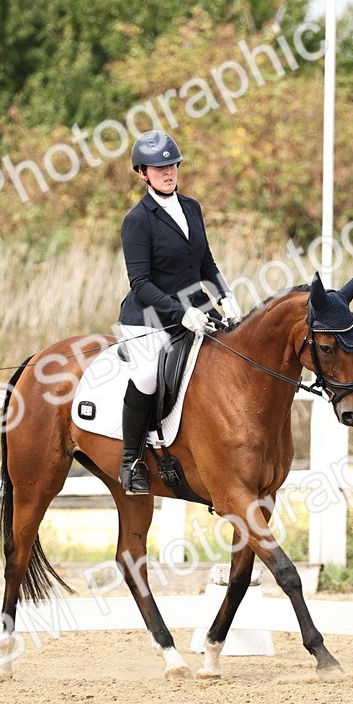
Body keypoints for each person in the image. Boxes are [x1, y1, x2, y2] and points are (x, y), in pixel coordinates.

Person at [116, 130, 243, 495]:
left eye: (172, 164)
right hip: (149, 317)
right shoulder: (138, 220)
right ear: (143, 173)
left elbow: (205, 262)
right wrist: (179, 312)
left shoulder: (191, 207)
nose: (168, 171)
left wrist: (225, 295)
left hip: (197, 309)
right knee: (146, 377)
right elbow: (140, 282)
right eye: (159, 167)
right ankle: (131, 462)